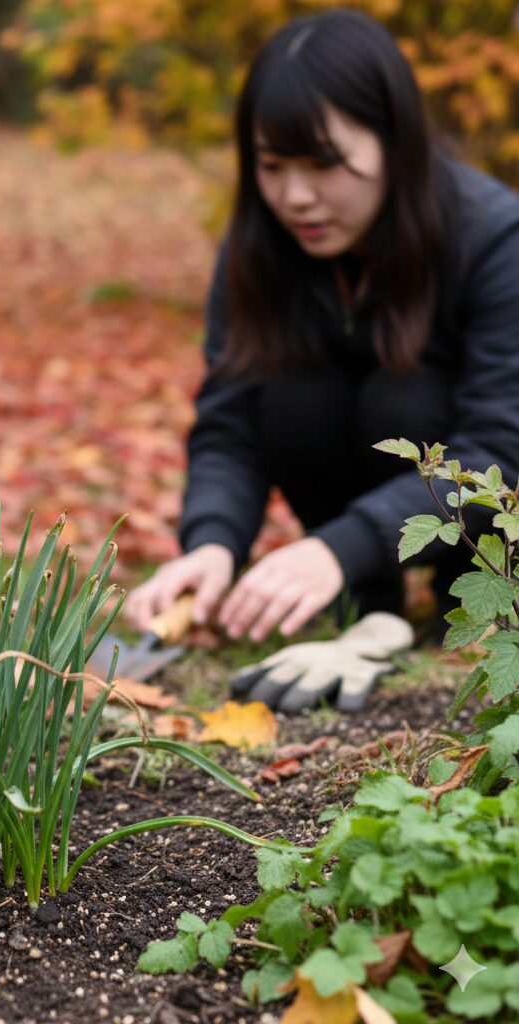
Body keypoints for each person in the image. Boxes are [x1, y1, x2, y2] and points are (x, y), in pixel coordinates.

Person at [126, 9, 519, 696]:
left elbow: (502, 448)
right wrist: (213, 542)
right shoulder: (261, 248)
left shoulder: (493, 238)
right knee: (296, 396)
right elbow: (231, 422)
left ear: (393, 142)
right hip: (368, 534)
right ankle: (372, 599)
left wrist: (340, 544)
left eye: (323, 165)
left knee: (402, 397)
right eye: (271, 166)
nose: (294, 197)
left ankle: (446, 597)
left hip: (493, 540)